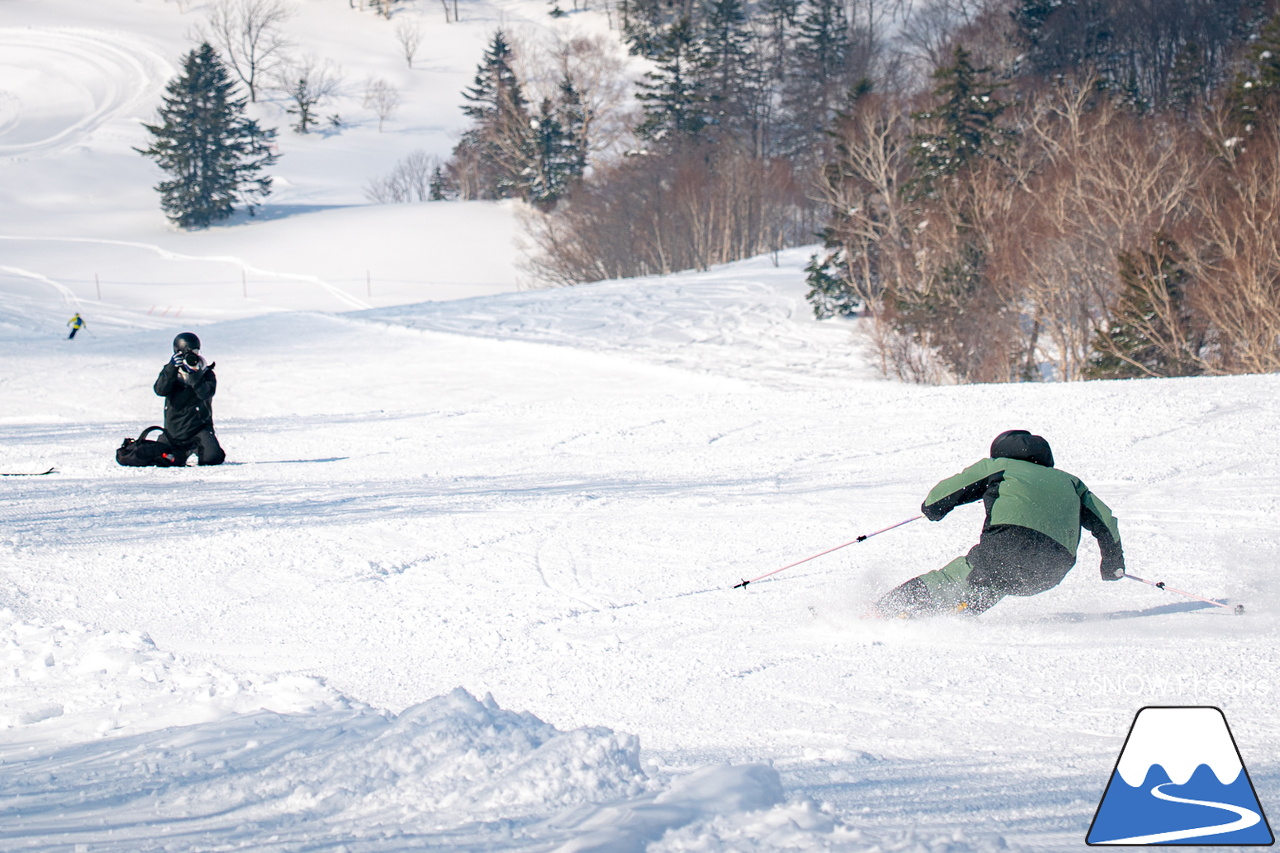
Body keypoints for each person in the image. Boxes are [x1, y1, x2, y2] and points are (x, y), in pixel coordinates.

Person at [873, 430, 1124, 617]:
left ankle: (884, 611)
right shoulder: (1072, 482)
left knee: (958, 577)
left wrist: (933, 508)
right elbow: (1107, 523)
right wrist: (1112, 565)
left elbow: (946, 491)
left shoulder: (1001, 466)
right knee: (995, 582)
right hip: (1054, 567)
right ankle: (959, 614)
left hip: (1008, 546)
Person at [153, 332, 225, 466]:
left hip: (199, 429)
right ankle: (181, 452)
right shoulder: (170, 372)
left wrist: (194, 374)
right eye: (187, 352)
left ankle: (203, 447)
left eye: (195, 351)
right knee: (160, 460)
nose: (192, 355)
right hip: (173, 430)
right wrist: (171, 368)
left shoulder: (206, 373)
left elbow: (205, 393)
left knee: (212, 459)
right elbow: (160, 390)